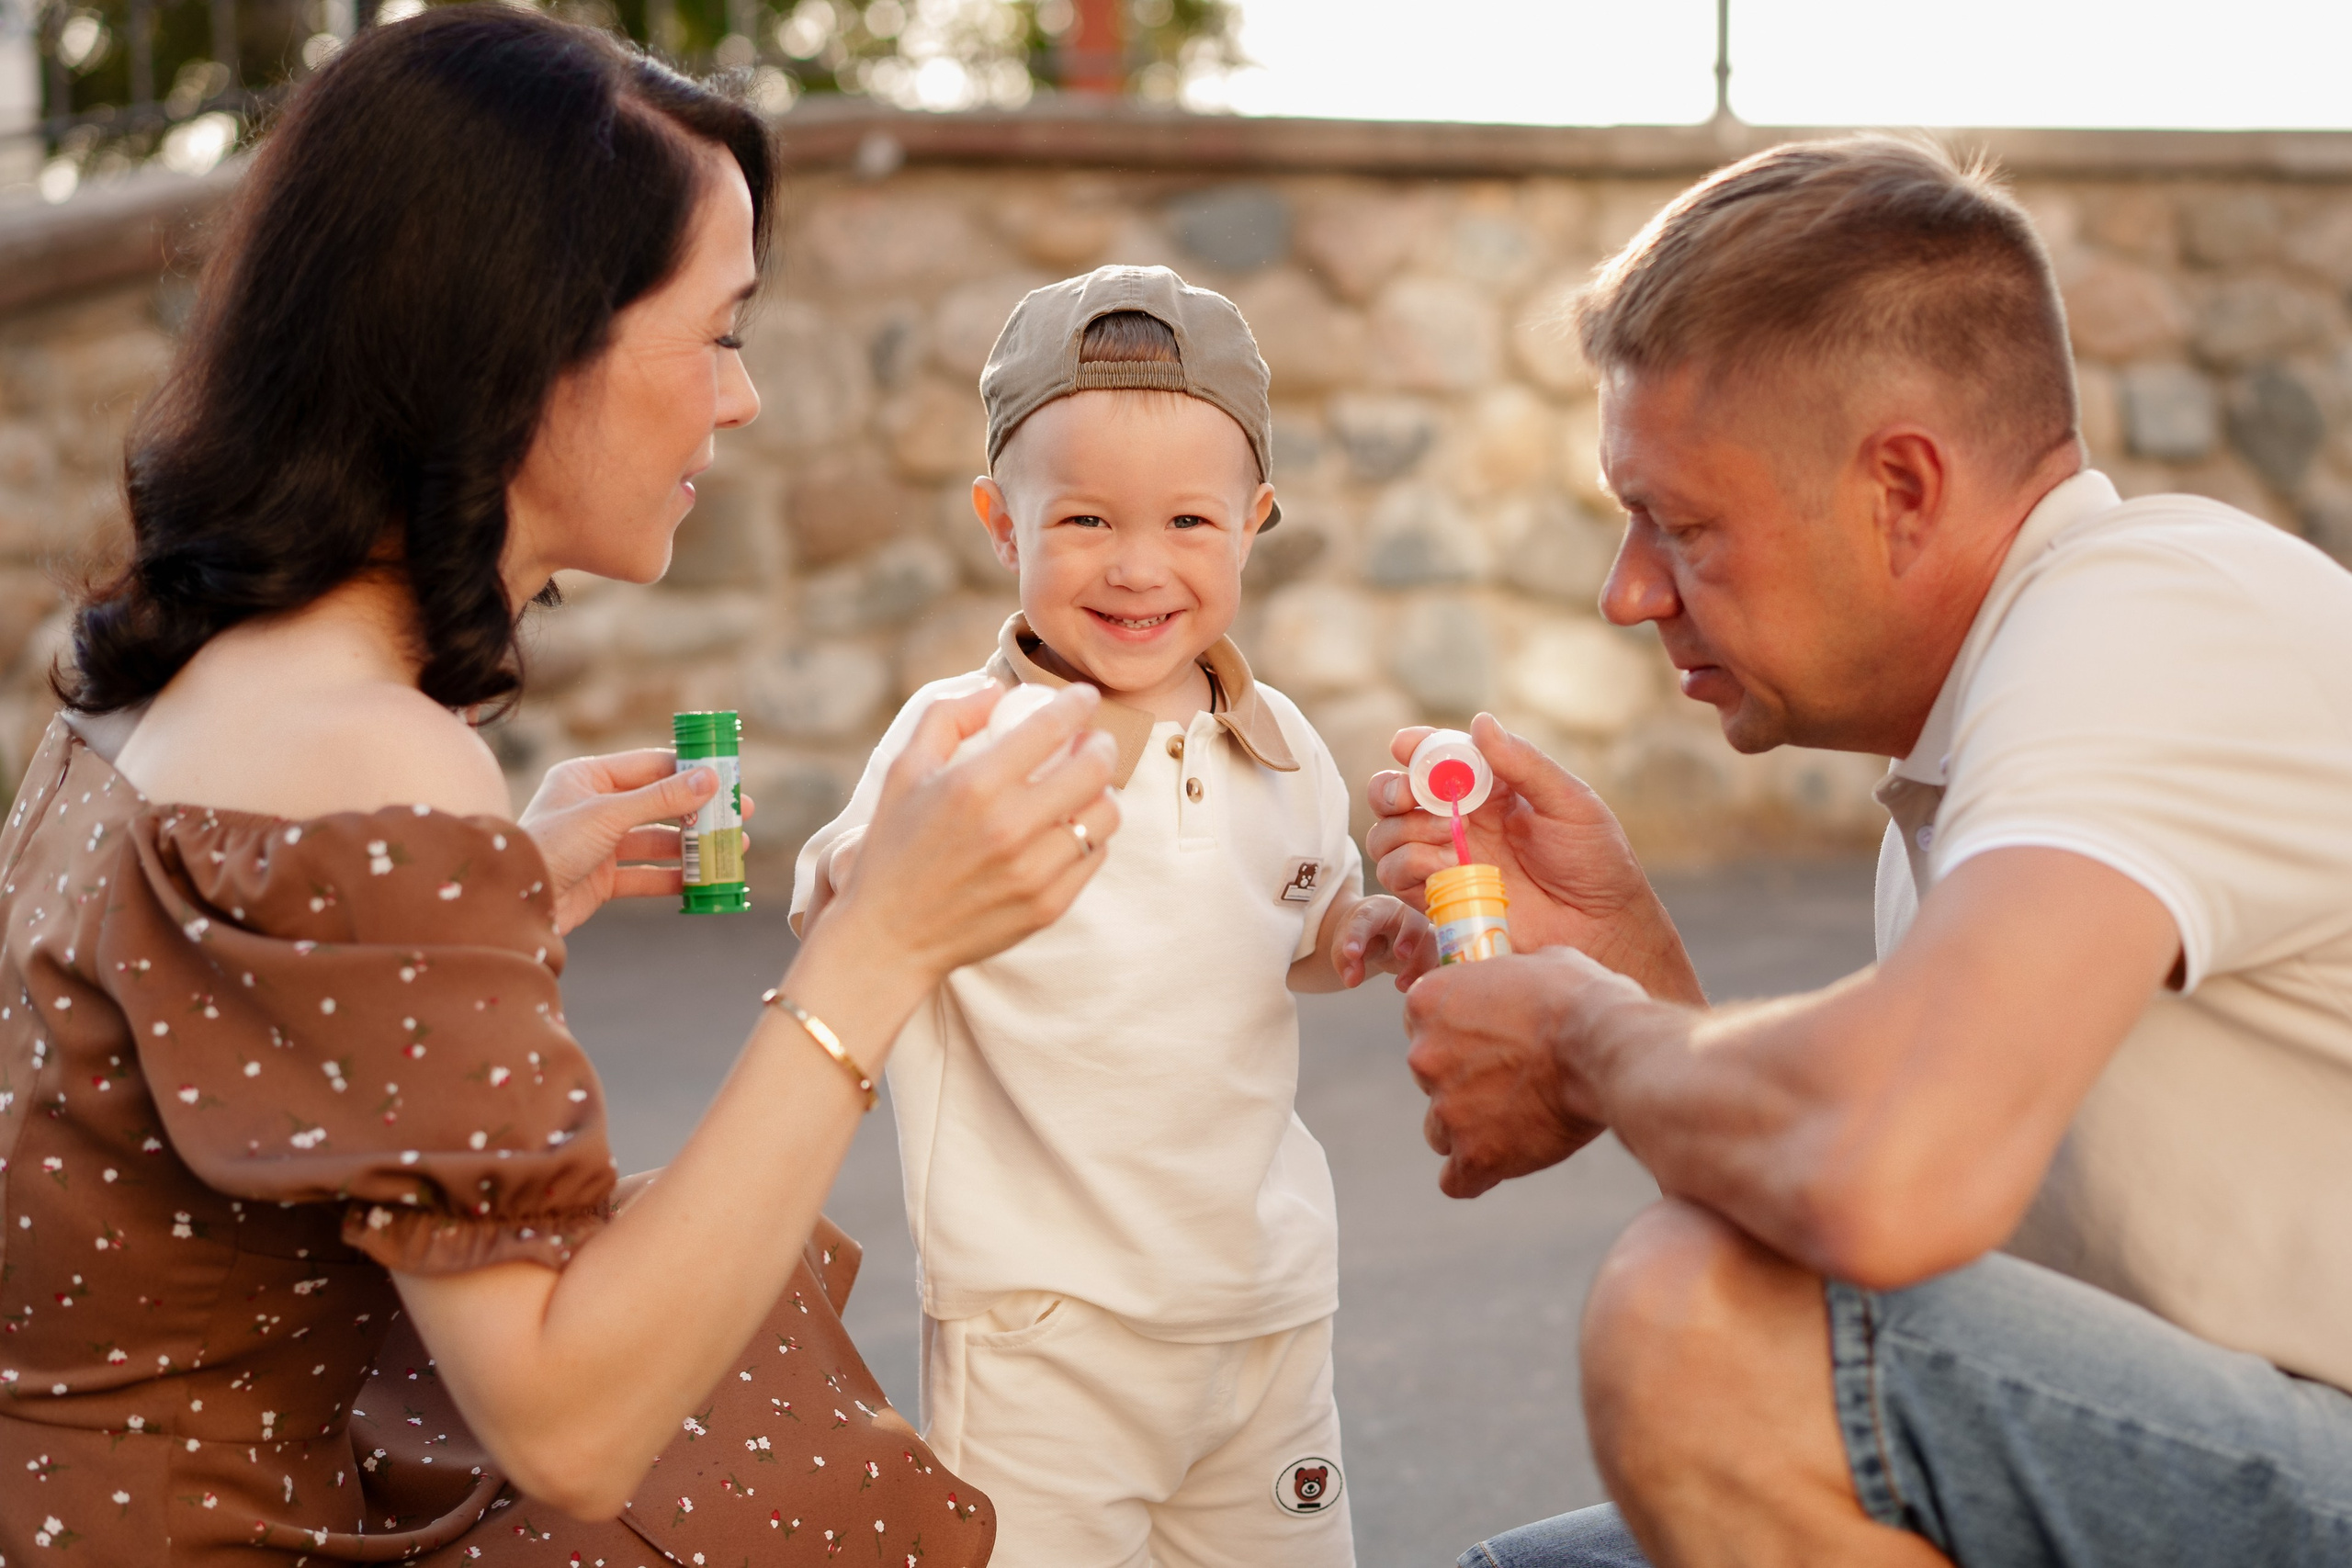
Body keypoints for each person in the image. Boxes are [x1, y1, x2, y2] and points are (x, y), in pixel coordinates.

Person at [0, 11, 1122, 1562]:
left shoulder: (187, 675)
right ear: (525, 345)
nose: (743, 401)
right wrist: (882, 951)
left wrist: (488, 900)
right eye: (719, 331)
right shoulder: (370, 761)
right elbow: (574, 1421)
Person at [1366, 138, 2352, 1568]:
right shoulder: (1988, 744)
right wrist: (1638, 972)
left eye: (1680, 525)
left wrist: (1592, 1038)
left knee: (1691, 1319)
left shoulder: (2153, 621)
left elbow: (1883, 1180)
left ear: (1900, 487)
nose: (1628, 591)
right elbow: (1897, 1284)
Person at [790, 265, 1434, 1568]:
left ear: (1253, 523)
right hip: (1045, 1332)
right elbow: (840, 918)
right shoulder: (959, 739)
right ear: (997, 523)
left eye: (1191, 520)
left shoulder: (1281, 743)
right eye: (1084, 518)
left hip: (1262, 1314)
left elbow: (1296, 927)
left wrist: (1356, 935)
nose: (1140, 567)